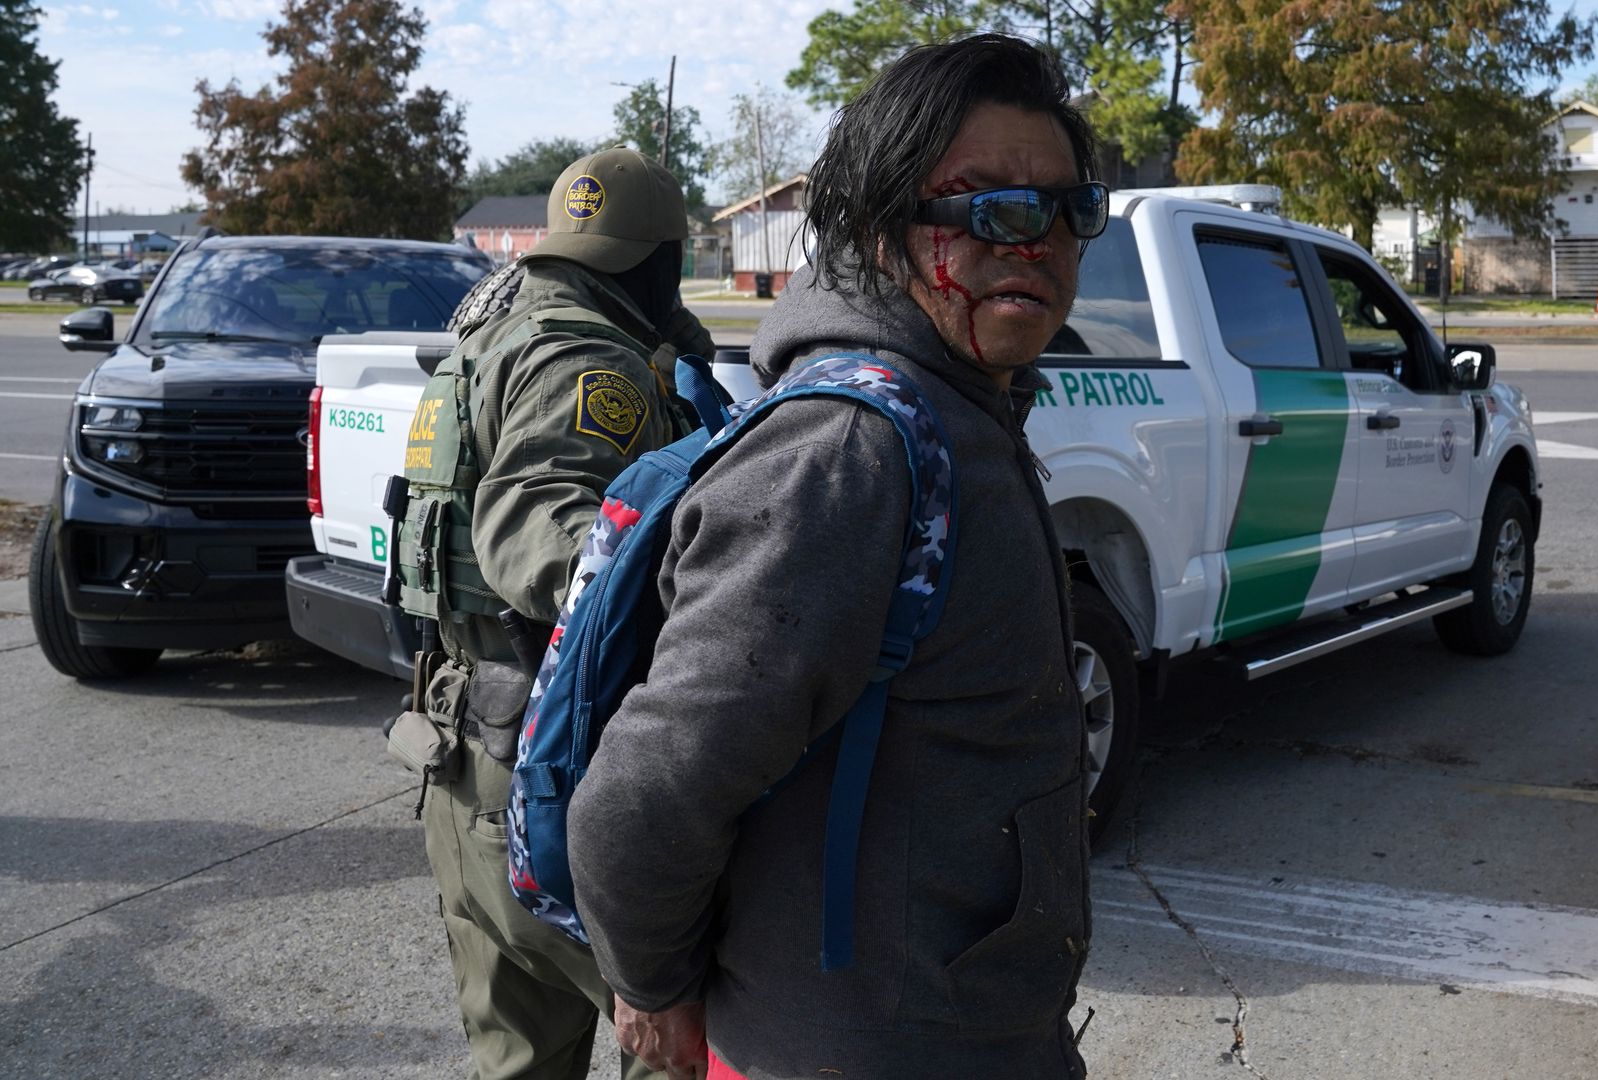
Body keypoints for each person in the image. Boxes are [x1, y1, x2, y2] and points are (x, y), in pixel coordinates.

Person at [567, 34, 1104, 1080]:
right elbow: (643, 797)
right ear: (874, 225)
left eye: (1068, 209)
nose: (1036, 242)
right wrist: (658, 984)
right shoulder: (848, 453)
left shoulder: (970, 405)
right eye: (988, 207)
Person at [389, 146, 713, 1080]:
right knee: (675, 1049)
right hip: (546, 768)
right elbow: (535, 516)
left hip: (456, 752)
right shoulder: (589, 359)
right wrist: (693, 587)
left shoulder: (490, 337)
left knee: (519, 1059)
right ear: (659, 261)